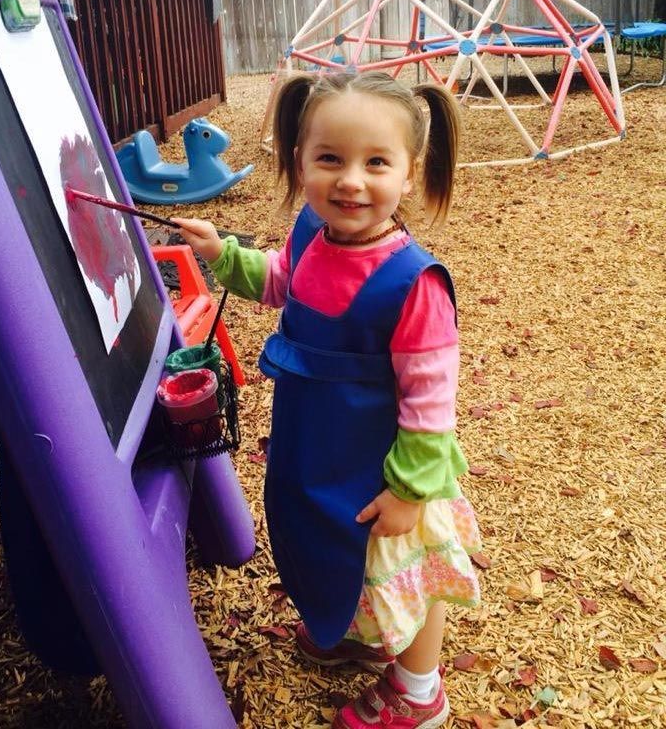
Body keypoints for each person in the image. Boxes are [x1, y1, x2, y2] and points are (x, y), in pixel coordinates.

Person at [174, 71, 481, 729]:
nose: (351, 180)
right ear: (299, 161)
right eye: (330, 158)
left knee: (407, 568)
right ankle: (360, 632)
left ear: (408, 173)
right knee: (342, 548)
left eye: (376, 162)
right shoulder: (314, 233)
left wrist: (409, 488)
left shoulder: (411, 281)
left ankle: (420, 688)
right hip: (319, 440)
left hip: (387, 462)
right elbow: (284, 281)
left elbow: (432, 401)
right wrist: (222, 254)